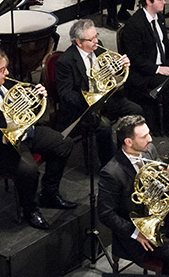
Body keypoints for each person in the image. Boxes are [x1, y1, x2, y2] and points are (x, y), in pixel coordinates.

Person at [0, 48, 76, 231]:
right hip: (0, 146)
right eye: (2, 70)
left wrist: (36, 93)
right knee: (29, 170)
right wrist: (6, 138)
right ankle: (30, 209)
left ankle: (49, 192)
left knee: (64, 144)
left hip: (26, 133)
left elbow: (25, 91)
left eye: (6, 68)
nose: (7, 73)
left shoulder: (6, 80)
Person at [98, 115, 169, 277]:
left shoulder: (149, 150)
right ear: (128, 142)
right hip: (135, 230)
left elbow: (159, 175)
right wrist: (137, 233)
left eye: (149, 133)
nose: (150, 139)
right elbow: (106, 214)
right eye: (144, 136)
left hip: (159, 218)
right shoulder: (111, 172)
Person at [55, 19, 142, 167]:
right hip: (84, 107)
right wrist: (89, 99)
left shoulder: (97, 48)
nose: (96, 41)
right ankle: (109, 165)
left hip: (106, 98)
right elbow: (65, 94)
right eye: (91, 39)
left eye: (96, 36)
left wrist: (120, 65)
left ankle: (128, 151)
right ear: (79, 42)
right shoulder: (66, 61)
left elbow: (110, 70)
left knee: (136, 110)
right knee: (104, 126)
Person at [121, 0, 169, 131]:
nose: (165, 2)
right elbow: (135, 58)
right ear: (149, 2)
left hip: (161, 63)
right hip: (145, 72)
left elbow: (166, 44)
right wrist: (158, 69)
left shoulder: (159, 18)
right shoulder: (134, 25)